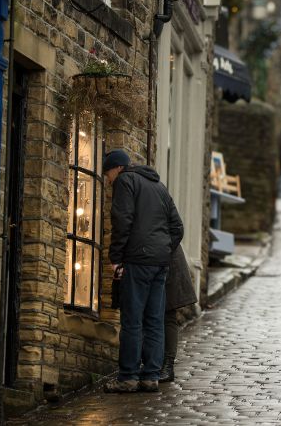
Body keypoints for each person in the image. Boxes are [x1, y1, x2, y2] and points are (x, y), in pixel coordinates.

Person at [102, 149, 184, 393]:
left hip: (137, 261)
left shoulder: (125, 181)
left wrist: (116, 258)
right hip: (160, 263)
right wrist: (163, 250)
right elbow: (177, 227)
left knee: (132, 320)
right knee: (154, 320)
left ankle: (127, 377)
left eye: (107, 174)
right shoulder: (159, 186)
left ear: (117, 168)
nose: (107, 180)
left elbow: (122, 220)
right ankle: (150, 377)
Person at [158, 244, 198, 383]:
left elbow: (177, 229)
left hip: (169, 261)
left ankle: (168, 366)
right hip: (153, 261)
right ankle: (154, 364)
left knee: (168, 314)